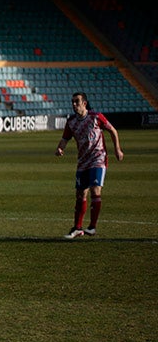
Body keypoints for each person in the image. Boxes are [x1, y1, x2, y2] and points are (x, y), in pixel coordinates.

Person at [55, 92, 124, 238]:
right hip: (83, 161)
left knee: (95, 190)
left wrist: (117, 149)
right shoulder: (71, 122)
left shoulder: (96, 117)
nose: (74, 104)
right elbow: (65, 139)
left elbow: (112, 130)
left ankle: (92, 227)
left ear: (84, 103)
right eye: (72, 102)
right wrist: (60, 148)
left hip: (98, 158)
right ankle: (77, 228)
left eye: (77, 102)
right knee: (80, 194)